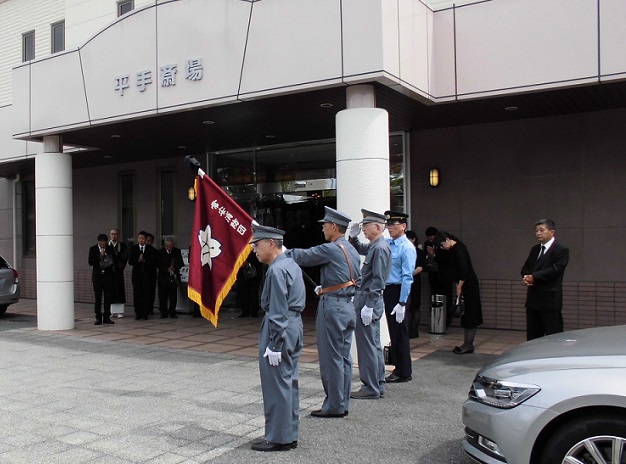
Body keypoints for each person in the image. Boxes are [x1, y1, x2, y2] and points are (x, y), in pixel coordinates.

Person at [284, 206, 361, 416]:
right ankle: (341, 402)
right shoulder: (351, 249)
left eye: (325, 225)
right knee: (343, 358)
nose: (323, 229)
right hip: (346, 306)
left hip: (333, 308)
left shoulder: (332, 248)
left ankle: (334, 406)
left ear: (334, 227)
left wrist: (282, 251)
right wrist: (326, 287)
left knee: (331, 359)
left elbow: (305, 256)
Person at [249, 224, 305, 452]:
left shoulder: (276, 270)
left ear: (271, 243)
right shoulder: (290, 264)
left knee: (276, 385)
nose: (254, 250)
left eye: (257, 244)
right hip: (294, 326)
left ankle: (278, 437)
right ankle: (288, 433)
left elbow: (278, 311)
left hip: (280, 328)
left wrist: (274, 344)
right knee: (288, 382)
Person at [348, 209, 391, 400]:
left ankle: (371, 386)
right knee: (372, 343)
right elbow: (360, 249)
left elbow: (378, 280)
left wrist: (370, 305)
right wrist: (353, 238)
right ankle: (377, 383)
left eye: (366, 226)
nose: (363, 229)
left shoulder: (380, 248)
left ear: (377, 227)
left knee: (367, 345)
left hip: (368, 298)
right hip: (367, 298)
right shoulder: (376, 245)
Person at [521, 219, 570, 340]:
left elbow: (555, 269)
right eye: (536, 231)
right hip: (533, 299)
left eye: (542, 230)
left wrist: (534, 277)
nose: (538, 233)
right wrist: (526, 277)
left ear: (552, 232)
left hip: (550, 299)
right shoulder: (535, 249)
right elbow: (526, 267)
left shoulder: (561, 249)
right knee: (533, 336)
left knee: (553, 335)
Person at [381, 211, 416, 382]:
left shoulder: (406, 247)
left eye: (393, 225)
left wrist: (402, 302)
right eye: (388, 225)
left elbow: (407, 277)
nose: (389, 228)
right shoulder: (389, 243)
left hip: (398, 292)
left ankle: (403, 371)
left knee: (400, 332)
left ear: (403, 227)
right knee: (393, 331)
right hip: (389, 291)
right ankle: (399, 367)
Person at [434, 231, 483, 353]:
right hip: (466, 284)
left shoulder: (458, 249)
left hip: (468, 285)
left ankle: (468, 344)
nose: (442, 248)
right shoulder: (456, 249)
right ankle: (466, 343)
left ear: (446, 240)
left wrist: (459, 286)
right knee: (466, 315)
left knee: (470, 314)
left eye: (441, 245)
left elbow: (464, 270)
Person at [426, 226, 455, 328]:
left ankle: (446, 322)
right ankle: (435, 322)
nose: (431, 240)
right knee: (434, 299)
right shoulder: (428, 245)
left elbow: (447, 260)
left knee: (446, 300)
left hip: (445, 277)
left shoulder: (446, 246)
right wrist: (430, 255)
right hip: (434, 276)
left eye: (432, 238)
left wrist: (435, 255)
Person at [128, 231, 158, 320]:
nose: (141, 240)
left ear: (146, 240)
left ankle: (145, 313)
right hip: (136, 276)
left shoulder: (151, 249)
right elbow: (130, 261)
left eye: (143, 239)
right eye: (140, 238)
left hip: (147, 276)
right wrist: (138, 260)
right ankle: (138, 313)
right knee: (137, 295)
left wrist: (144, 260)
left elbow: (154, 262)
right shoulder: (133, 249)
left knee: (146, 294)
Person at [88, 234, 116, 325]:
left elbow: (113, 260)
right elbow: (90, 262)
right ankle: (98, 317)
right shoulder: (93, 249)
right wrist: (99, 256)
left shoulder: (110, 248)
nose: (103, 244)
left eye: (104, 242)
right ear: (98, 241)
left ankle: (107, 316)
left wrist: (106, 256)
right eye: (101, 242)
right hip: (97, 276)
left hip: (108, 276)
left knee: (108, 297)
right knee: (98, 297)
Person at [157, 237, 184, 319]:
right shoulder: (160, 252)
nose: (170, 248)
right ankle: (163, 312)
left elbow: (181, 263)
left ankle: (172, 312)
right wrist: (166, 269)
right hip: (163, 277)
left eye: (171, 246)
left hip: (173, 276)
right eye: (168, 246)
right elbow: (158, 264)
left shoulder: (177, 251)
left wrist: (175, 268)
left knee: (173, 296)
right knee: (162, 296)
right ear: (165, 245)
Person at [405, 230, 425, 338]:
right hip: (410, 281)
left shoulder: (419, 252)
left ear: (414, 239)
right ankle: (408, 330)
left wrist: (408, 275)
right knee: (408, 307)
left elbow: (421, 267)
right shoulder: (404, 250)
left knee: (415, 307)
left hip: (414, 281)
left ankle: (414, 330)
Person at [108, 228, 128, 319]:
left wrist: (119, 265)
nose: (113, 236)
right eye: (112, 234)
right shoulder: (107, 245)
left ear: (118, 235)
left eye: (115, 234)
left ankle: (119, 312)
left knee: (119, 290)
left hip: (118, 272)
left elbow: (124, 258)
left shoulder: (122, 246)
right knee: (110, 290)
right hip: (109, 272)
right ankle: (112, 312)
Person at [237, 253, 261, 318]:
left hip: (253, 272)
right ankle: (245, 311)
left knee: (253, 292)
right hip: (241, 273)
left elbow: (258, 259)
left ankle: (254, 311)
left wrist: (248, 263)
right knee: (243, 292)